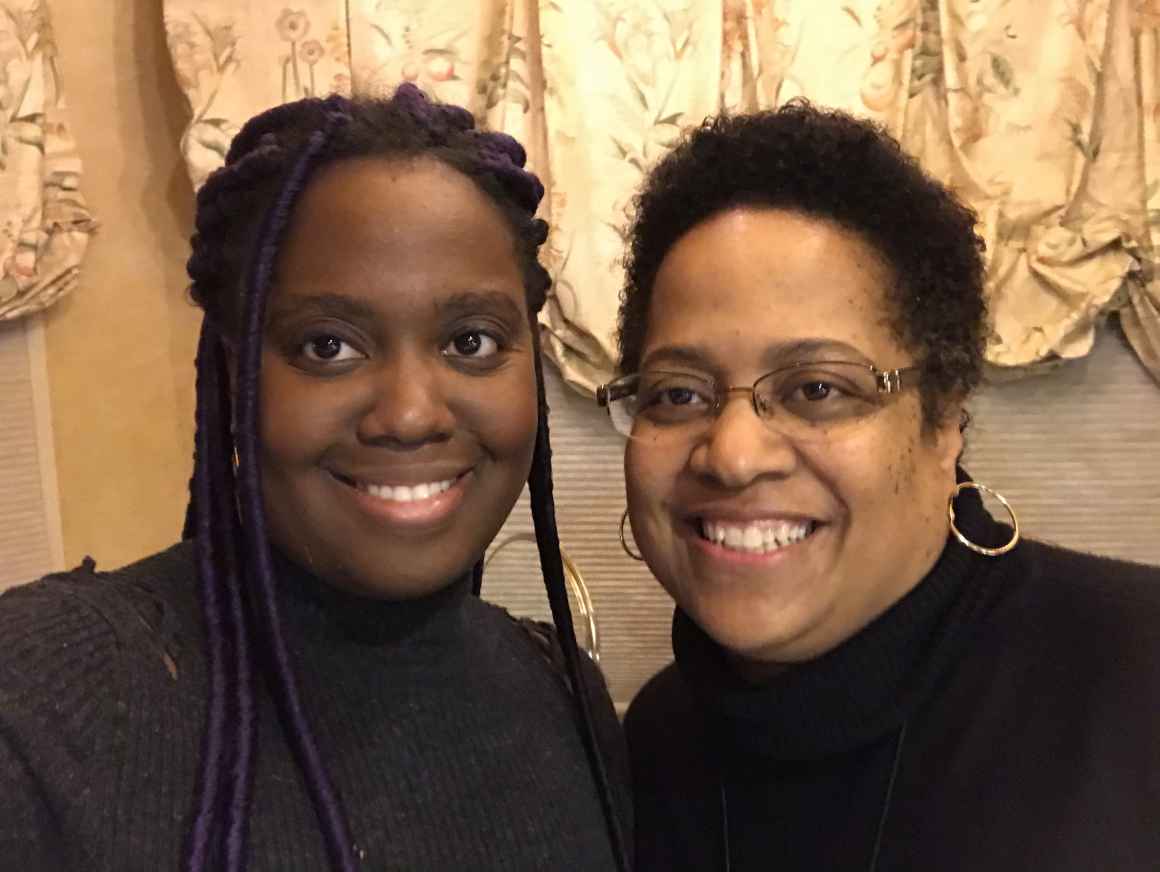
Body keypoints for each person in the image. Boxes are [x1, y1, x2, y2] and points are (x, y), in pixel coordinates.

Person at [0, 86, 630, 872]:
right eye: (328, 347)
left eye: (471, 340)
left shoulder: (561, 695)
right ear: (233, 378)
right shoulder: (40, 701)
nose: (409, 413)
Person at [602, 101, 1160, 871]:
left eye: (818, 389)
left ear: (944, 420)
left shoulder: (1138, 670)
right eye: (678, 393)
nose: (731, 457)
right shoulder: (653, 743)